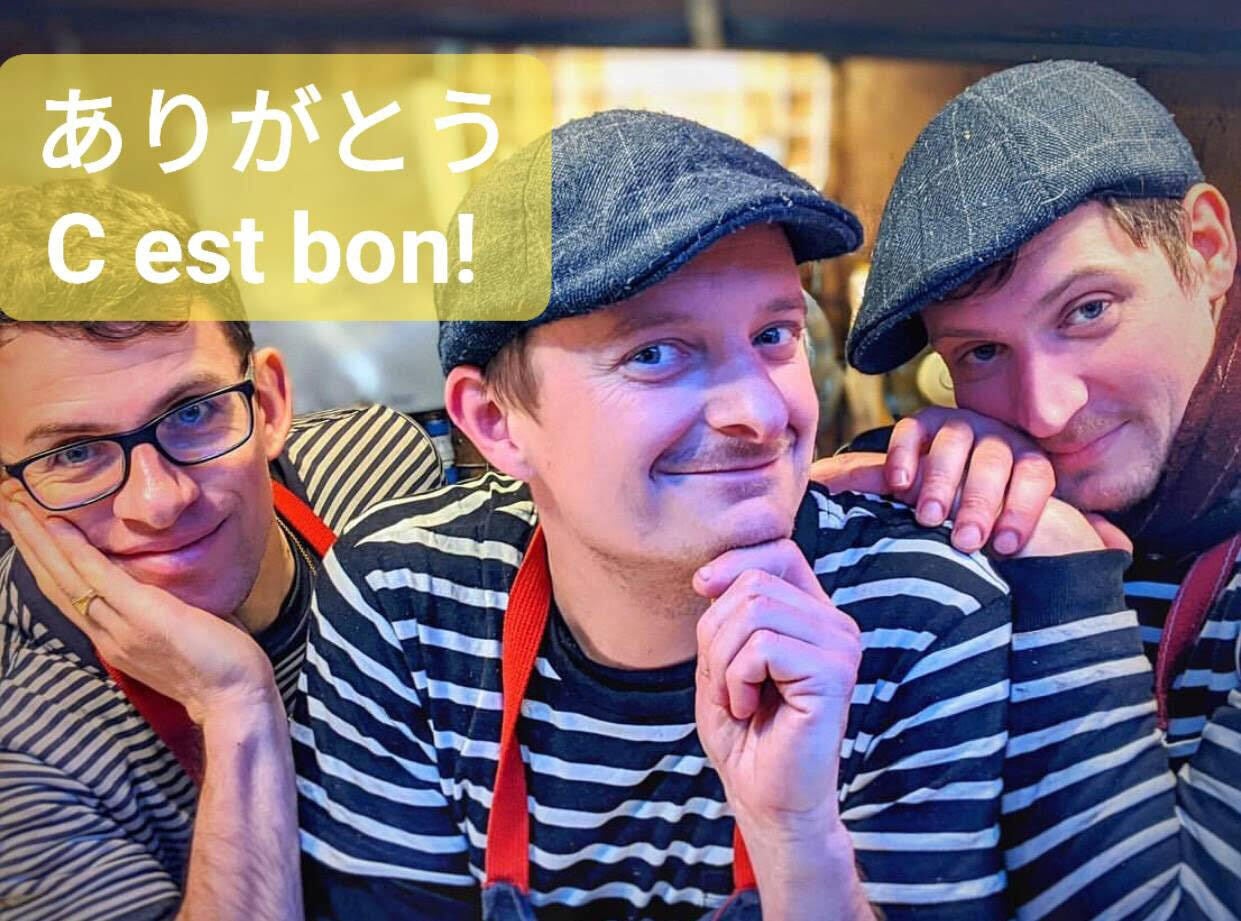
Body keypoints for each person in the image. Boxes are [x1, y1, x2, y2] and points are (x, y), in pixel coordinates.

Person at [292, 109, 1172, 920]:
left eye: (772, 335)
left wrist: (795, 834)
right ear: (495, 422)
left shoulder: (917, 612)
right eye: (656, 353)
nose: (757, 413)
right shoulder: (404, 600)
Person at [819, 59, 1241, 915]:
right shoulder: (961, 516)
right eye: (981, 353)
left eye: (1087, 310)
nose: (1047, 409)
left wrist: (1060, 569)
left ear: (1205, 248)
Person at [0, 182, 443, 920]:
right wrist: (236, 703)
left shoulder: (377, 477)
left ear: (267, 404)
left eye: (193, 412)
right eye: (75, 453)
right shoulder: (26, 746)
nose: (158, 500)